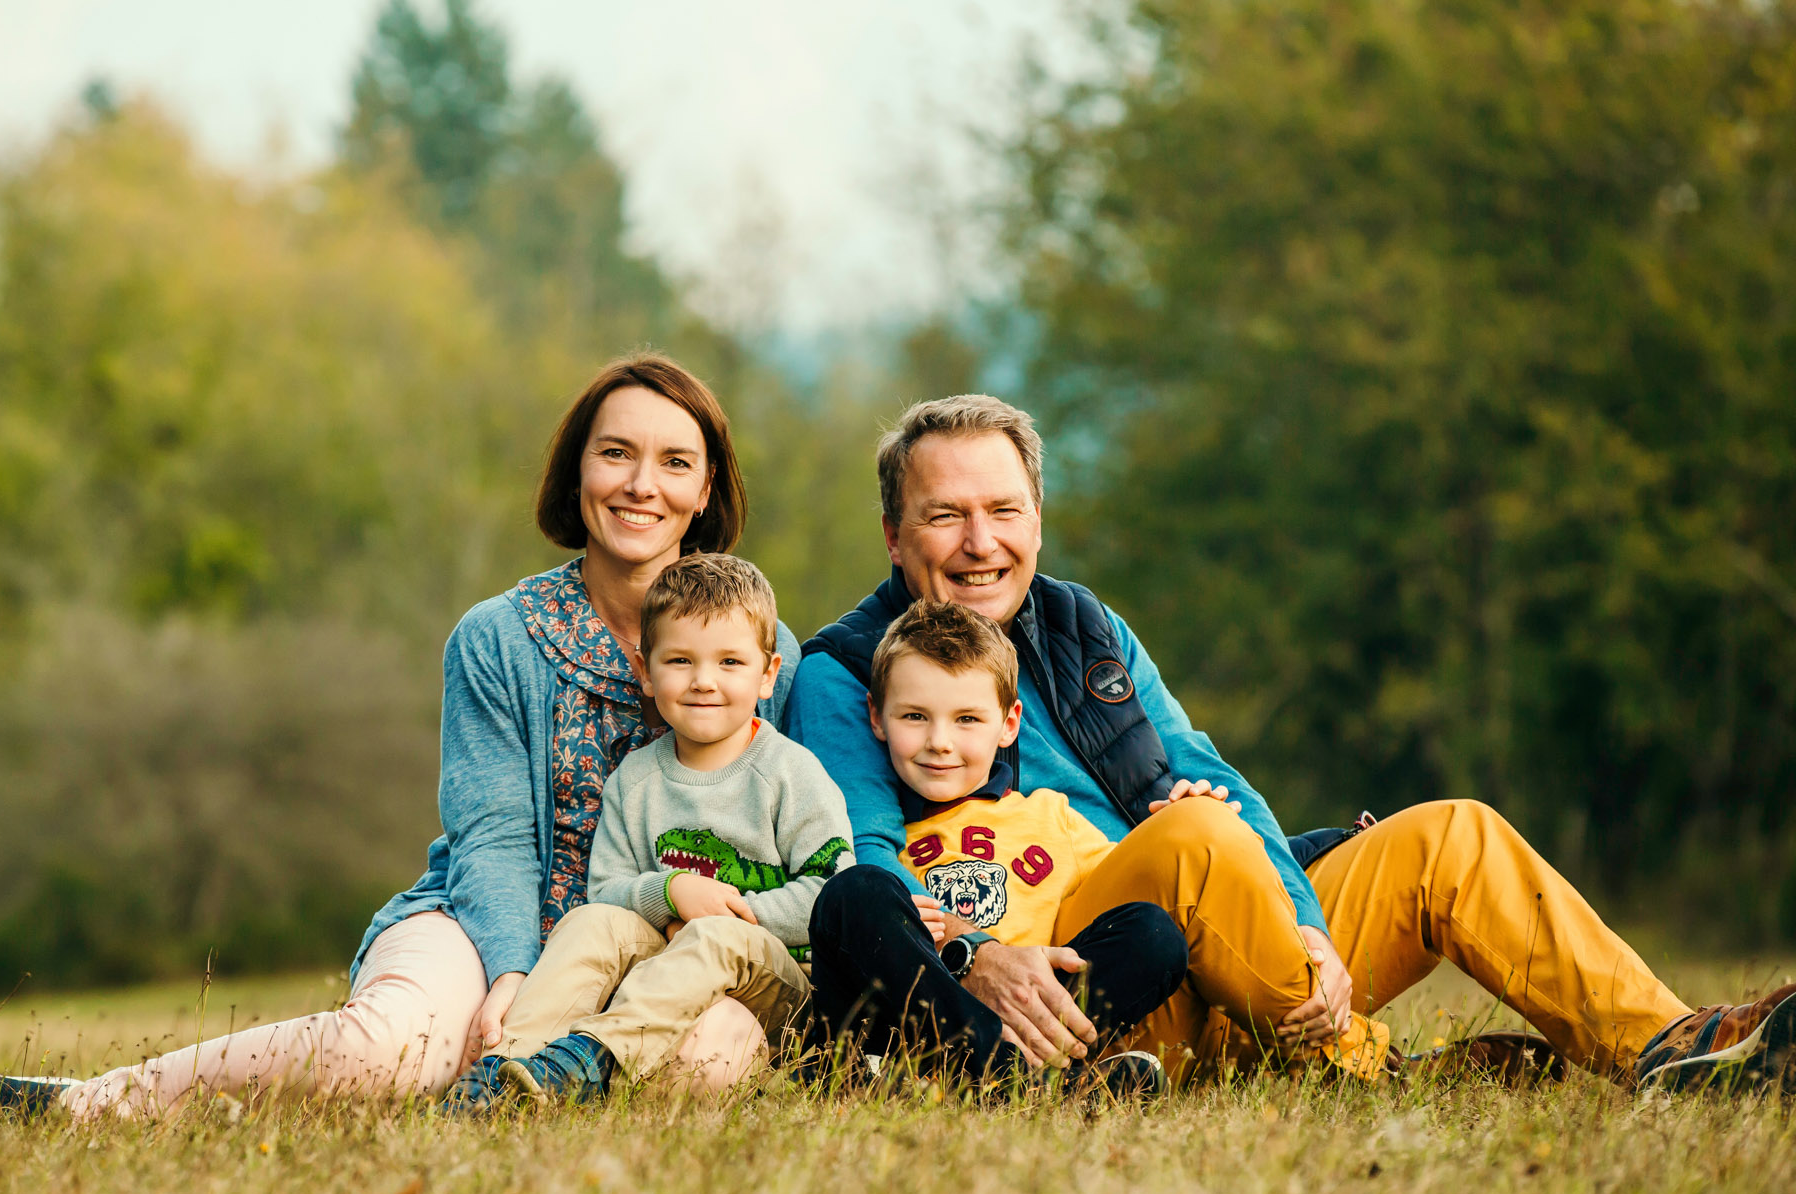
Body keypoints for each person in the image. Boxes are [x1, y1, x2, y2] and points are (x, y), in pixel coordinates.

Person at [788, 393, 1795, 1094]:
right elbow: (858, 864)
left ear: (1038, 519)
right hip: (1092, 981)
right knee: (1192, 839)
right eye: (944, 516)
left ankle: (1670, 1048)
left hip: (1239, 952)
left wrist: (1304, 921)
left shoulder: (1082, 625)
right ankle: (1359, 1064)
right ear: (892, 533)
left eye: (1002, 510)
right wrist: (971, 957)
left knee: (1454, 834)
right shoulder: (848, 673)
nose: (979, 542)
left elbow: (1206, 772)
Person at [0, 353, 803, 1119]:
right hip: (492, 922)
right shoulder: (500, 637)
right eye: (616, 454)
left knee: (707, 1069)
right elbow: (493, 836)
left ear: (706, 487)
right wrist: (513, 972)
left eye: (674, 461)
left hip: (671, 944)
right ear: (577, 473)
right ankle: (89, 1103)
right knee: (386, 1055)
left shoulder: (767, 654)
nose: (642, 484)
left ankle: (529, 1095)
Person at [451, 553, 853, 1107]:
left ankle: (589, 1060)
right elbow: (607, 891)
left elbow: (834, 896)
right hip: (667, 962)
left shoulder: (792, 773)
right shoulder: (634, 779)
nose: (704, 682)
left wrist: (733, 915)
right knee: (591, 923)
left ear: (767, 675)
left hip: (777, 980)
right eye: (681, 661)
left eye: (730, 662)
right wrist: (669, 893)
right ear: (646, 670)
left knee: (717, 936)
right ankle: (505, 1071)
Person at [808, 600, 1186, 1096]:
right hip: (899, 1030)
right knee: (854, 893)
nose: (940, 741)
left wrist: (1182, 819)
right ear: (877, 717)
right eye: (915, 716)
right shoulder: (875, 831)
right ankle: (1027, 1080)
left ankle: (1011, 1075)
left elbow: (1136, 879)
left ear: (1008, 724)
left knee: (1154, 933)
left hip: (1028, 1014)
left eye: (967, 719)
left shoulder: (1051, 817)